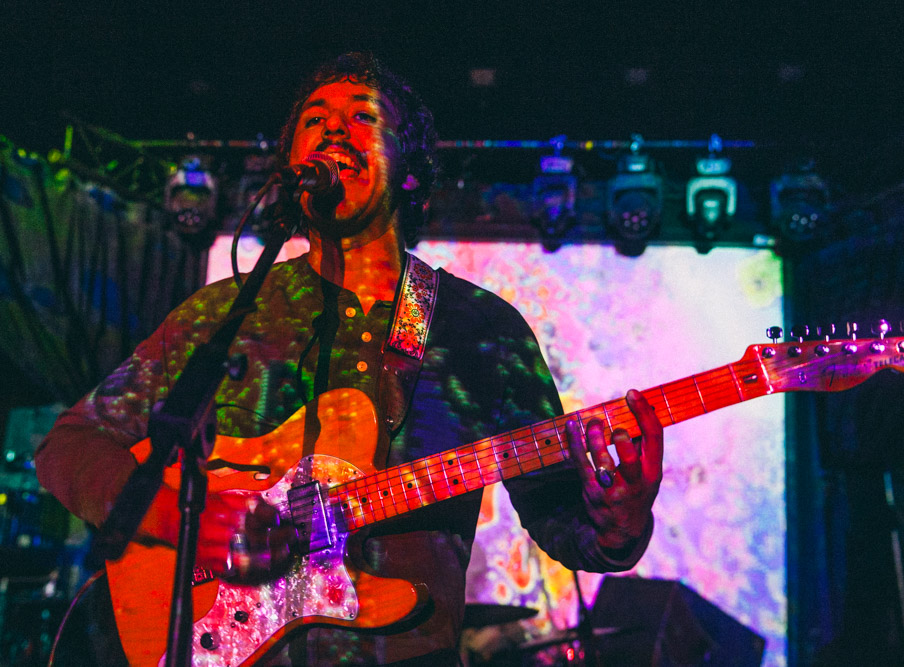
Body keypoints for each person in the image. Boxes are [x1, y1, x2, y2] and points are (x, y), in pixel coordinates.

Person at [36, 52, 663, 666]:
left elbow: (563, 523)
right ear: (289, 168)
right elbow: (70, 445)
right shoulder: (224, 314)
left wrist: (621, 519)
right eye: (314, 118)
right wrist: (187, 521)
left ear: (410, 170)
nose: (333, 126)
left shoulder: (483, 331)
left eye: (362, 115)